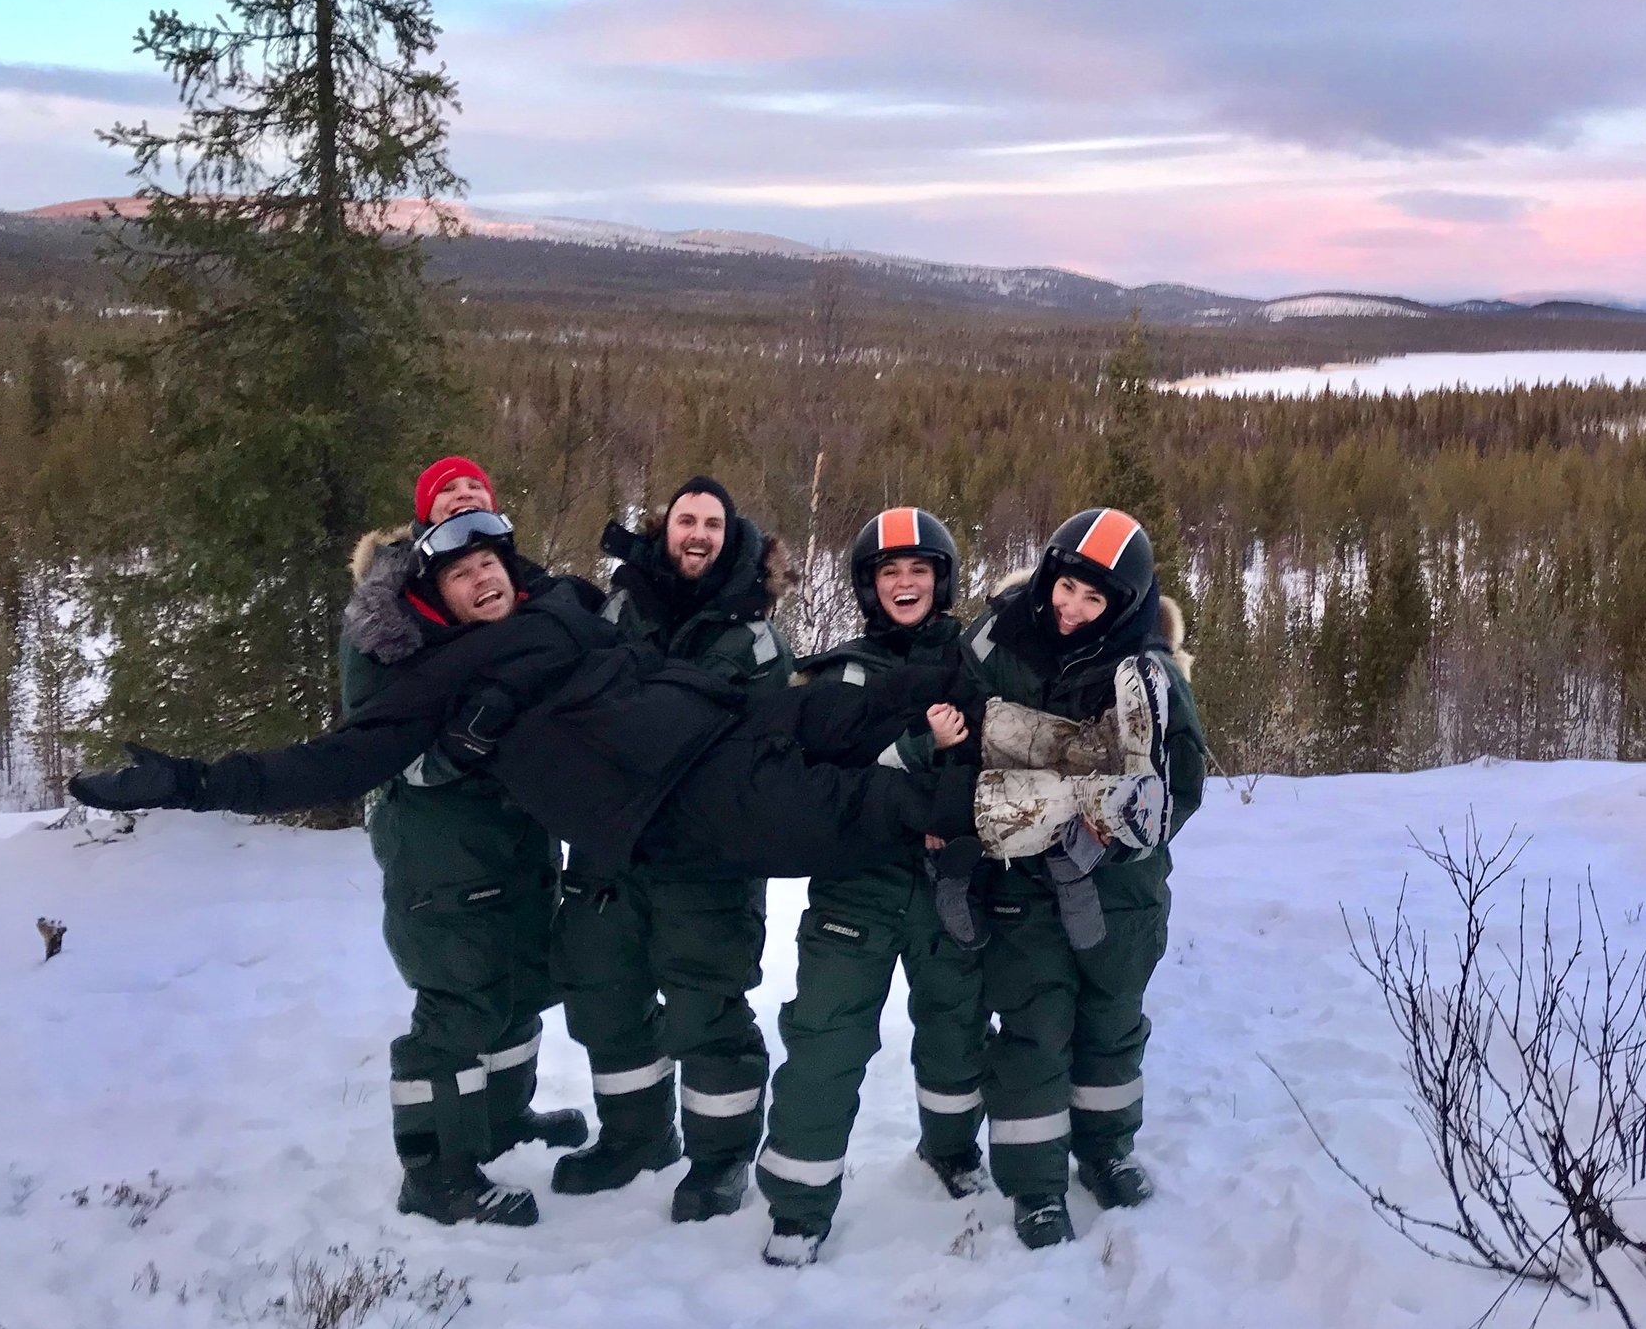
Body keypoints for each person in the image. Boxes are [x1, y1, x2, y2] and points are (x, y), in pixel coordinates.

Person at [73, 514, 982, 1227]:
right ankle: (1001, 814)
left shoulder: (565, 606)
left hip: (722, 724)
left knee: (859, 705)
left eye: (493, 560)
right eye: (462, 572)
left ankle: (1024, 692)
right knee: (858, 819)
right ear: (437, 599)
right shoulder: (442, 682)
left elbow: (659, 597)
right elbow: (330, 763)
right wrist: (191, 783)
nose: (485, 575)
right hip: (669, 814)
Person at [951, 507, 1206, 1250]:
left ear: (1123, 605)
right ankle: (1034, 1185)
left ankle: (1105, 1149)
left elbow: (1178, 783)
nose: (1072, 609)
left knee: (1111, 1022)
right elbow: (957, 734)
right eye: (1066, 588)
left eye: (1094, 600)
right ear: (1048, 576)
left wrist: (1118, 832)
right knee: (1031, 1028)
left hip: (1122, 891)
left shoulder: (1151, 672)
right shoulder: (999, 639)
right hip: (1021, 881)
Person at [343, 457, 586, 1226]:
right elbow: (371, 738)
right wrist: (448, 755)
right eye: (446, 494)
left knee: (517, 988)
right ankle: (436, 1171)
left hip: (518, 836)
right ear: (423, 517)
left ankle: (500, 1121)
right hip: (440, 844)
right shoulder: (387, 613)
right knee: (458, 1001)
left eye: (474, 491)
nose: (462, 498)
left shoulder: (513, 589)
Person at [553, 478, 795, 1223]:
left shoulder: (753, 637)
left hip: (706, 858)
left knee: (706, 1010)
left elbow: (751, 745)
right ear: (664, 531)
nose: (697, 534)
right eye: (685, 520)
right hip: (609, 849)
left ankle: (720, 1159)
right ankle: (635, 1136)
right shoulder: (620, 609)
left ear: (731, 538)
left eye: (712, 524)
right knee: (605, 996)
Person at [755, 508, 989, 1268]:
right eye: (889, 572)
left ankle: (952, 1151)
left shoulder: (976, 661)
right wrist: (916, 752)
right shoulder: (837, 672)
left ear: (941, 579)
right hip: (856, 887)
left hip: (949, 883)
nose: (905, 583)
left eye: (919, 569)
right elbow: (817, 776)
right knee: (825, 1040)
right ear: (868, 585)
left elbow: (1001, 760)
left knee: (957, 1030)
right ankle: (797, 1206)